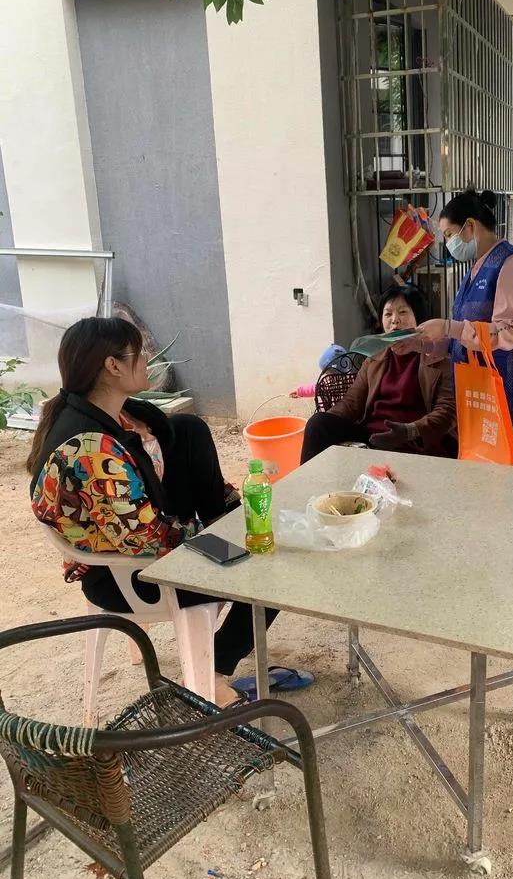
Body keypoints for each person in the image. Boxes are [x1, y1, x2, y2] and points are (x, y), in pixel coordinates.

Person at [27, 317, 280, 707]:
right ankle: (211, 674)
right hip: (124, 573)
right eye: (139, 353)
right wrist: (223, 537)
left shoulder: (116, 414)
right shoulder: (91, 450)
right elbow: (149, 541)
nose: (147, 359)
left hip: (134, 539)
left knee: (187, 429)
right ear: (112, 366)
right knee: (270, 570)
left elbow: (161, 470)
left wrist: (227, 512)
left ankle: (228, 520)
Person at [417, 189, 513, 436]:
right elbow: (465, 334)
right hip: (475, 385)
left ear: (470, 226)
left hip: (499, 386)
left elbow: (508, 332)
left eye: (449, 234)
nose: (448, 244)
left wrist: (448, 327)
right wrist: (424, 343)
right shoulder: (477, 268)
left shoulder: (510, 265)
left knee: (497, 458)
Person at [300, 285, 456, 462]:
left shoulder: (438, 359)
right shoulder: (374, 358)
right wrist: (328, 420)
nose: (395, 320)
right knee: (318, 424)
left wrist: (409, 431)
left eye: (403, 312)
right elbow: (351, 402)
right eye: (388, 314)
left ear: (419, 319)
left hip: (415, 440)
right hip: (372, 436)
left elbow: (446, 411)